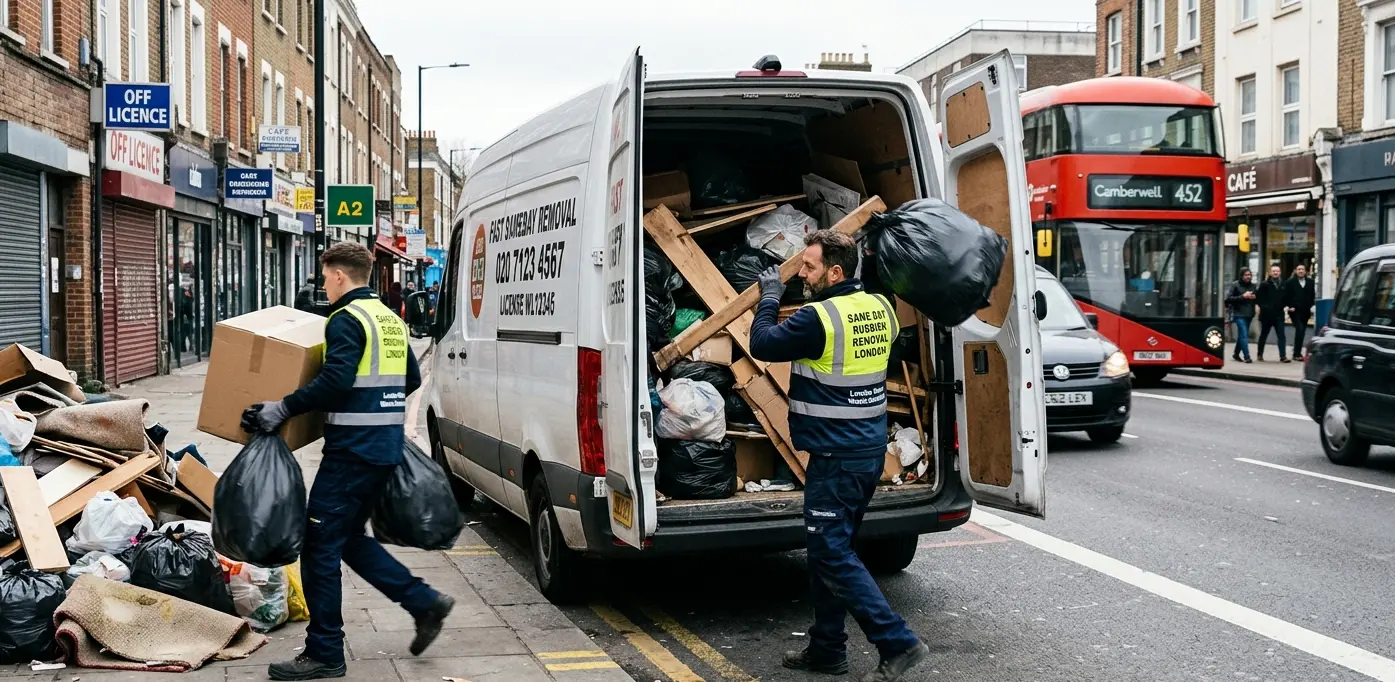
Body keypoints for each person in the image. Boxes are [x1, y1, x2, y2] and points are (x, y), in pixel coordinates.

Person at [247, 243, 454, 681]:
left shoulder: (345, 319)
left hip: (352, 453)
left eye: (325, 277)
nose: (323, 286)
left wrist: (280, 409)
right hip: (383, 449)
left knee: (319, 545)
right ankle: (424, 603)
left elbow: (336, 381)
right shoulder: (389, 319)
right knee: (345, 540)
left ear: (340, 276)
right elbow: (411, 378)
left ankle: (324, 651)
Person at [748, 230, 929, 682]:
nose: (801, 274)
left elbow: (763, 345)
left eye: (808, 267)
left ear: (836, 271)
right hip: (867, 449)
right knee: (830, 548)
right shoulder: (880, 308)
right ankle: (827, 649)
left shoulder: (819, 317)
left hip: (836, 455)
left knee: (829, 551)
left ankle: (898, 641)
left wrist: (769, 297)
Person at [1255, 264, 1288, 363]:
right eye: (1274, 271)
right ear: (1270, 272)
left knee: (1281, 335)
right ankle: (1260, 354)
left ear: (1280, 272)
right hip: (1267, 315)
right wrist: (1265, 308)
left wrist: (1285, 306)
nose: (1275, 273)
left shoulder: (1283, 284)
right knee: (1264, 335)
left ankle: (1283, 356)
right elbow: (1259, 298)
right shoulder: (1265, 284)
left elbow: (1286, 297)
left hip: (1279, 315)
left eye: (1277, 271)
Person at [1283, 264, 1315, 360]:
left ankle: (1297, 352)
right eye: (1299, 269)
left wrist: (1311, 305)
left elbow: (1312, 295)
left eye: (1302, 269)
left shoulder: (1310, 282)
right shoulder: (1290, 282)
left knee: (1302, 331)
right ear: (1296, 271)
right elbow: (1286, 296)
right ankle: (1296, 353)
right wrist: (1290, 306)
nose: (1301, 271)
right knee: (1299, 329)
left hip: (1305, 310)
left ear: (1306, 271)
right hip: (1294, 310)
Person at [1225, 268, 1258, 363]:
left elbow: (1257, 298)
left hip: (1249, 314)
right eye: (1246, 275)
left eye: (1249, 275)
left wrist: (1254, 297)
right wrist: (1243, 296)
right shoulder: (1235, 285)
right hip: (1238, 313)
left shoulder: (1253, 286)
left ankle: (1236, 354)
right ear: (1242, 276)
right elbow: (1228, 299)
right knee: (1244, 335)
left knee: (1241, 336)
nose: (1248, 277)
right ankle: (1247, 356)